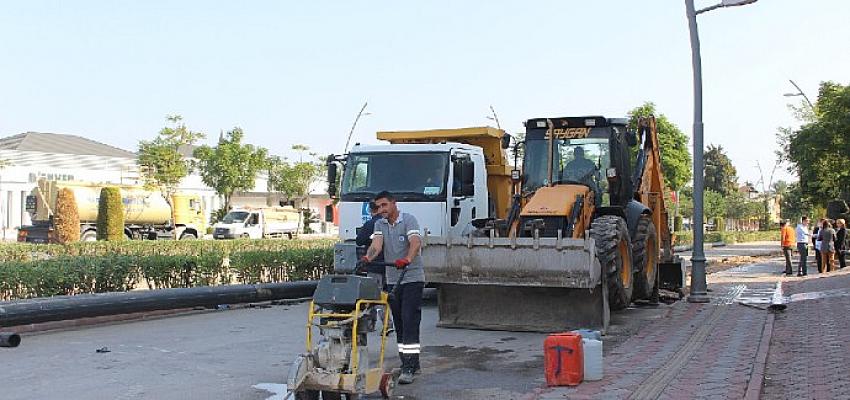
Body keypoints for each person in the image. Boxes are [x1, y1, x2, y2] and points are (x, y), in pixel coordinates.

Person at [361, 191, 425, 385]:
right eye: (378, 207)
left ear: (393, 204)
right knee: (398, 322)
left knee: (409, 319)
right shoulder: (380, 224)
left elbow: (415, 242)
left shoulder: (408, 220)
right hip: (393, 279)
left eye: (384, 206)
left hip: (412, 278)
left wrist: (407, 259)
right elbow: (376, 245)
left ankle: (409, 366)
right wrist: (367, 258)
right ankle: (409, 362)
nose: (381, 210)